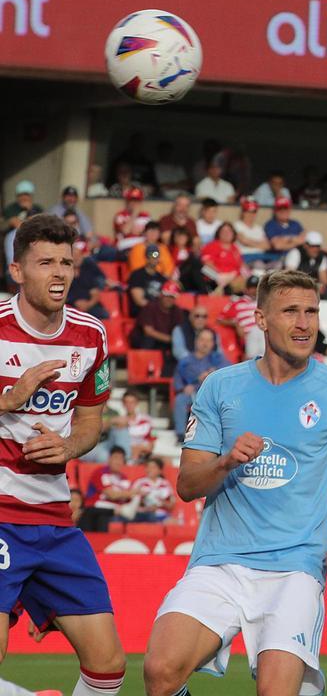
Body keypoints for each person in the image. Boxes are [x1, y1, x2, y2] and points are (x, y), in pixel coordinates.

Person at [142, 271, 327, 696]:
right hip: (219, 562)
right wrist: (225, 462)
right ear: (260, 319)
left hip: (295, 569)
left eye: (311, 312)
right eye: (290, 311)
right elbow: (186, 484)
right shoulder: (220, 386)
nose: (304, 323)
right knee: (160, 672)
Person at [0, 214, 126, 696]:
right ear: (17, 271)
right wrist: (9, 399)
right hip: (2, 514)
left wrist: (69, 445)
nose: (59, 273)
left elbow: (91, 423)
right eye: (45, 262)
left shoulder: (91, 336)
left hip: (53, 519)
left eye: (66, 263)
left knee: (109, 664)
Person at [171, 328, 230, 442]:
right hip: (194, 394)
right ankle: (180, 435)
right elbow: (177, 382)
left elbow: (229, 371)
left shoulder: (218, 359)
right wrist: (184, 388)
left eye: (209, 340)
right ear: (196, 341)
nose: (205, 343)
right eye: (202, 340)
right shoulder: (186, 361)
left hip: (215, 394)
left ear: (213, 343)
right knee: (180, 399)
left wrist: (212, 373)